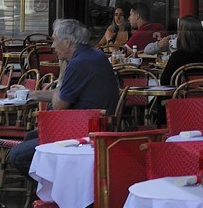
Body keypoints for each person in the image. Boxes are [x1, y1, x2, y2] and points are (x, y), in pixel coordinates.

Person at [7, 16, 120, 181]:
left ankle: (59, 187)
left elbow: (59, 105)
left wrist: (61, 75)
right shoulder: (92, 55)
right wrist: (31, 94)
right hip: (96, 125)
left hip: (83, 133)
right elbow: (65, 94)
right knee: (30, 136)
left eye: (55, 40)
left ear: (67, 42)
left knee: (17, 155)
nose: (52, 46)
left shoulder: (78, 63)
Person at [159, 14, 203, 86]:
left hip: (181, 92)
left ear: (181, 34)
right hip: (202, 92)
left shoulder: (177, 56)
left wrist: (173, 54)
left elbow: (164, 81)